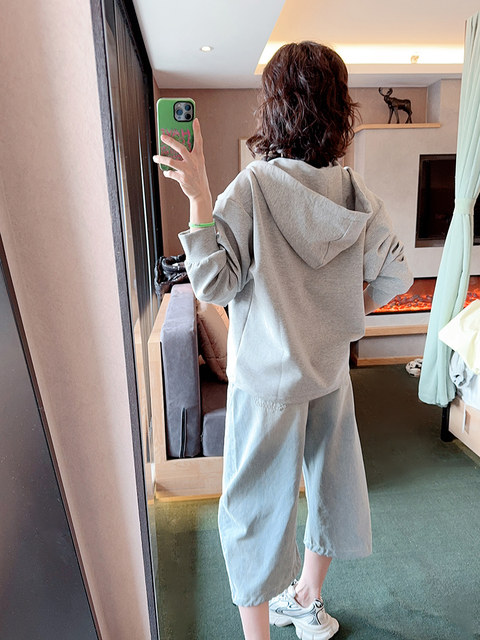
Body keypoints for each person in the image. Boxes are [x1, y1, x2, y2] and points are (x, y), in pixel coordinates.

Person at [154, 41, 413, 640]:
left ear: (275, 106)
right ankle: (308, 602)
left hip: (266, 382)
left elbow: (214, 284)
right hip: (329, 371)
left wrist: (198, 197)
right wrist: (344, 314)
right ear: (338, 109)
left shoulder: (253, 187)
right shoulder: (356, 193)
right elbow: (397, 275)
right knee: (331, 482)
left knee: (253, 509)